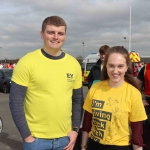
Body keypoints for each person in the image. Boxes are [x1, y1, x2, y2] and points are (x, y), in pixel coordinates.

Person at [9, 16, 84, 150]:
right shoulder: (27, 62)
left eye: (60, 33)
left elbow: (77, 100)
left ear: (65, 36)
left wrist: (75, 129)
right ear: (42, 34)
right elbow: (15, 101)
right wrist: (27, 136)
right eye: (51, 32)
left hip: (65, 139)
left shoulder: (74, 64)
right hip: (36, 141)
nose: (56, 37)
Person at [81, 46, 147, 150]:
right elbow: (86, 124)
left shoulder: (133, 93)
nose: (115, 71)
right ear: (105, 66)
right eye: (111, 66)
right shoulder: (95, 88)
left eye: (120, 66)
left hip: (121, 147)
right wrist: (83, 146)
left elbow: (137, 136)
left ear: (126, 67)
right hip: (93, 145)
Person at [137, 63, 150, 150]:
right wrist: (139, 99)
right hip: (148, 104)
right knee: (147, 132)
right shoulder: (145, 68)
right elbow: (137, 86)